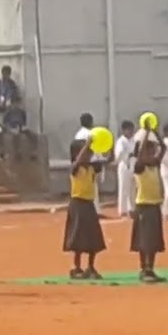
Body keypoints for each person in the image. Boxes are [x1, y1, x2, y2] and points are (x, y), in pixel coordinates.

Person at [63, 137, 106, 280]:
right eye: (86, 152)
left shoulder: (91, 168)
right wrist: (87, 145)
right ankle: (77, 267)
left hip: (89, 204)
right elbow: (79, 160)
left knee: (93, 238)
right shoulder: (75, 168)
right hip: (78, 204)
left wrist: (106, 147)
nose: (89, 155)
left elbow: (107, 161)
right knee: (78, 238)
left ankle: (91, 267)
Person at [131, 131, 167, 283]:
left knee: (152, 240)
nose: (152, 153)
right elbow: (140, 155)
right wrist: (145, 135)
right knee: (145, 240)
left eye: (152, 150)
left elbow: (163, 148)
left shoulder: (154, 165)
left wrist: (155, 131)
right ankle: (144, 268)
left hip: (154, 205)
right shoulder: (140, 166)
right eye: (148, 150)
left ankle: (149, 268)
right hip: (144, 205)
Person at [113, 120, 137, 219]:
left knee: (133, 189)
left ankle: (132, 209)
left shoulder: (134, 141)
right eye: (129, 130)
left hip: (133, 166)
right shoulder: (121, 141)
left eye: (132, 130)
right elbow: (119, 155)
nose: (131, 132)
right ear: (123, 130)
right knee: (124, 188)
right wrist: (128, 154)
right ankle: (122, 210)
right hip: (124, 166)